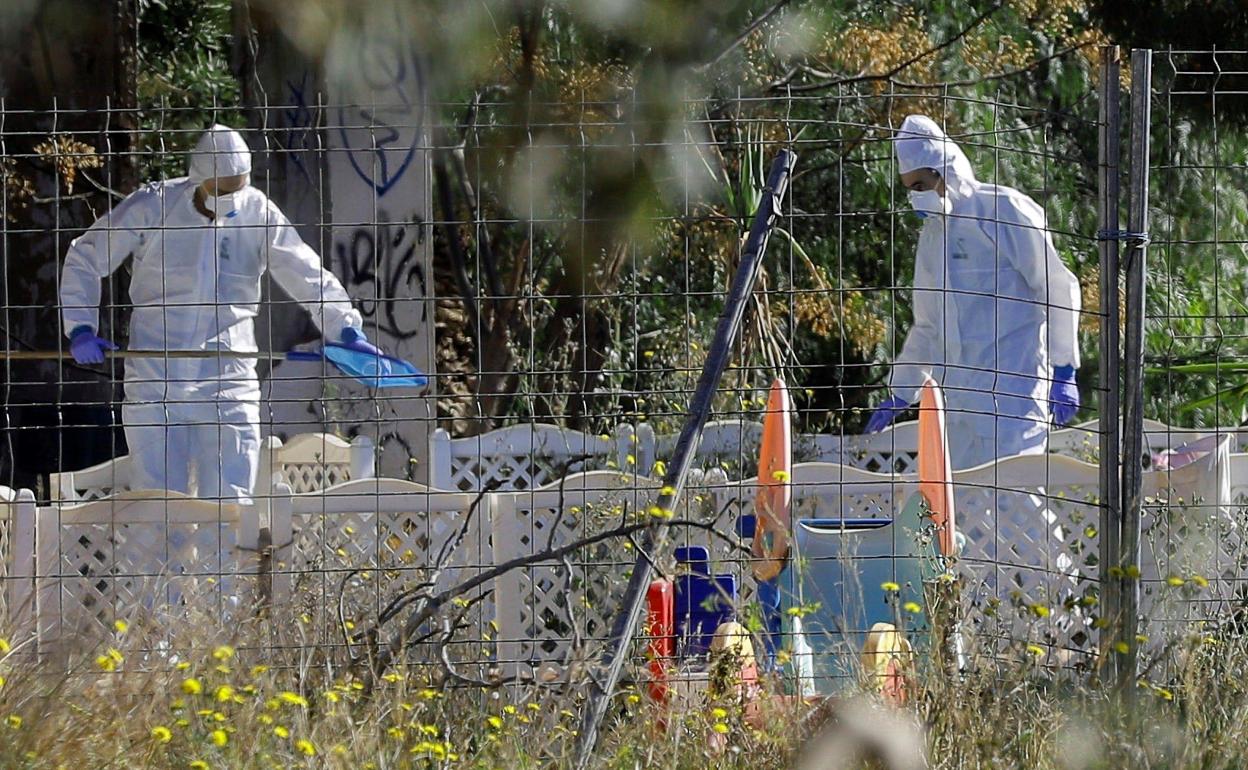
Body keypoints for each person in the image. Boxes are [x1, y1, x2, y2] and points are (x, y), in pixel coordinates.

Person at [60, 124, 381, 501]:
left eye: (239, 187)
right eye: (223, 190)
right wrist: (79, 325)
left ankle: (228, 562)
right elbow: (86, 254)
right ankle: (163, 563)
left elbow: (307, 274)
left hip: (229, 376)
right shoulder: (153, 206)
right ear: (199, 180)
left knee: (232, 502)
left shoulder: (258, 211)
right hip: (156, 374)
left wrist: (345, 330)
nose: (232, 199)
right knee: (159, 503)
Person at [865, 115, 1082, 469]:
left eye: (920, 184)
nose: (915, 196)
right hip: (957, 398)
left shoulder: (1003, 211)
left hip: (1013, 391)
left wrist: (1065, 368)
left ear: (943, 170)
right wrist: (901, 390)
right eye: (909, 187)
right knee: (957, 507)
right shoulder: (933, 237)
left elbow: (1056, 286)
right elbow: (928, 326)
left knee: (1017, 502)